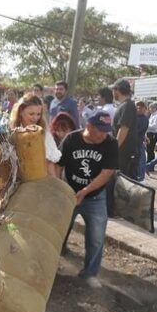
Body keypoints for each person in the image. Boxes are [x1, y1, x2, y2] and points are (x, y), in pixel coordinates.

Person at [56, 111, 118, 288]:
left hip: (95, 197)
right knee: (58, 231)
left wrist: (85, 191)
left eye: (107, 130)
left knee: (96, 237)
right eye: (101, 130)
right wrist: (60, 190)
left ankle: (90, 273)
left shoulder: (110, 143)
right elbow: (58, 165)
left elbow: (107, 172)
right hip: (69, 195)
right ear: (89, 126)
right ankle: (53, 266)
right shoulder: (71, 140)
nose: (104, 135)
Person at [10, 93, 61, 176]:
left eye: (38, 114)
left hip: (37, 181)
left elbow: (49, 164)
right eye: (31, 114)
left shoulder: (44, 133)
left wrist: (54, 185)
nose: (35, 118)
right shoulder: (10, 130)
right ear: (20, 112)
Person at [112, 78, 138, 179]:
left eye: (113, 90)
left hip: (124, 154)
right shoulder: (124, 105)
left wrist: (114, 149)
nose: (112, 93)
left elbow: (124, 129)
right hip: (122, 153)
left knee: (123, 185)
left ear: (117, 90)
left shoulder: (128, 105)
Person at [136, 101, 150, 182]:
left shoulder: (144, 119)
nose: (139, 108)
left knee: (141, 162)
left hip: (138, 145)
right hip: (134, 144)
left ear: (145, 109)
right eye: (137, 106)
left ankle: (140, 179)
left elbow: (135, 131)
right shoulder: (134, 117)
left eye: (141, 107)